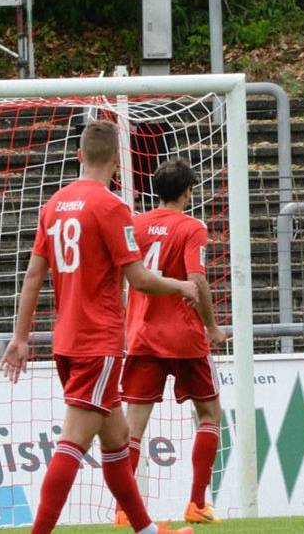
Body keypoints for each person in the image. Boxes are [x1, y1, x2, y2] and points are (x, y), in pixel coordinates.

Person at [0, 120, 198, 534]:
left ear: (79, 156)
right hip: (98, 342)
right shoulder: (112, 207)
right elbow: (139, 278)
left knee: (117, 438)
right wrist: (180, 285)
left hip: (66, 340)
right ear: (117, 162)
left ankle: (145, 530)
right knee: (73, 441)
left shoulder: (54, 204)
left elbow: (33, 276)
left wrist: (20, 337)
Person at [114, 160, 229, 526]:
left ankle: (123, 511)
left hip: (142, 336)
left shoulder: (134, 225)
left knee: (133, 426)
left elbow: (121, 276)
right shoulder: (193, 227)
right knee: (210, 414)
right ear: (187, 192)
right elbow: (197, 280)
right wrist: (212, 326)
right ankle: (197, 503)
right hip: (184, 338)